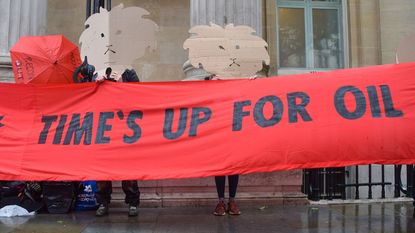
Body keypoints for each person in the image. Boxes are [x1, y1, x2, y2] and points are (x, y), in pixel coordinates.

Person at [94, 68, 141, 217]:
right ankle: (103, 202)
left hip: (125, 130)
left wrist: (122, 84)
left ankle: (133, 203)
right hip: (103, 131)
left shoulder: (129, 74)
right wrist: (94, 85)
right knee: (101, 172)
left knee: (128, 171)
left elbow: (140, 96)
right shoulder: (95, 73)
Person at [205, 75, 241, 216]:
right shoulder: (211, 84)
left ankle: (232, 200)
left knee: (234, 166)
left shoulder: (234, 83)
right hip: (217, 132)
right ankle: (221, 201)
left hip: (233, 130)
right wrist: (212, 79)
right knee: (220, 167)